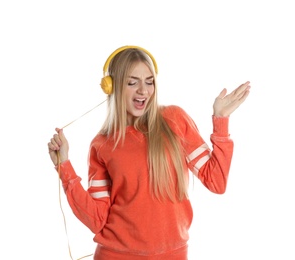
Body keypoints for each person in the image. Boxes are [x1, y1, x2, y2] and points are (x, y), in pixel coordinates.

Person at [47, 45, 250, 260]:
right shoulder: (102, 144)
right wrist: (64, 167)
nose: (143, 91)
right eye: (132, 82)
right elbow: (97, 220)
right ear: (111, 87)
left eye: (149, 81)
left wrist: (221, 120)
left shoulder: (175, 120)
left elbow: (216, 181)